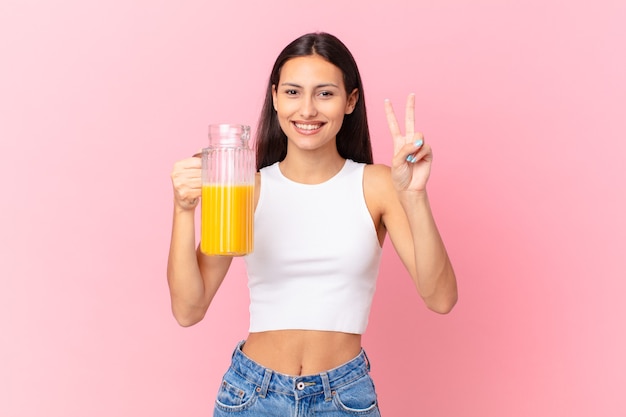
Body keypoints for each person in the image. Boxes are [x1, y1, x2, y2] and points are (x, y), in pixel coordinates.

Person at [167, 32, 457, 416]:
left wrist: (415, 195)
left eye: (324, 93)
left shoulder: (378, 186)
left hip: (343, 398)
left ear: (350, 100)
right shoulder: (245, 189)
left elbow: (440, 298)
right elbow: (189, 309)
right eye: (292, 92)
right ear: (274, 98)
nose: (306, 110)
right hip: (252, 396)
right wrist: (183, 209)